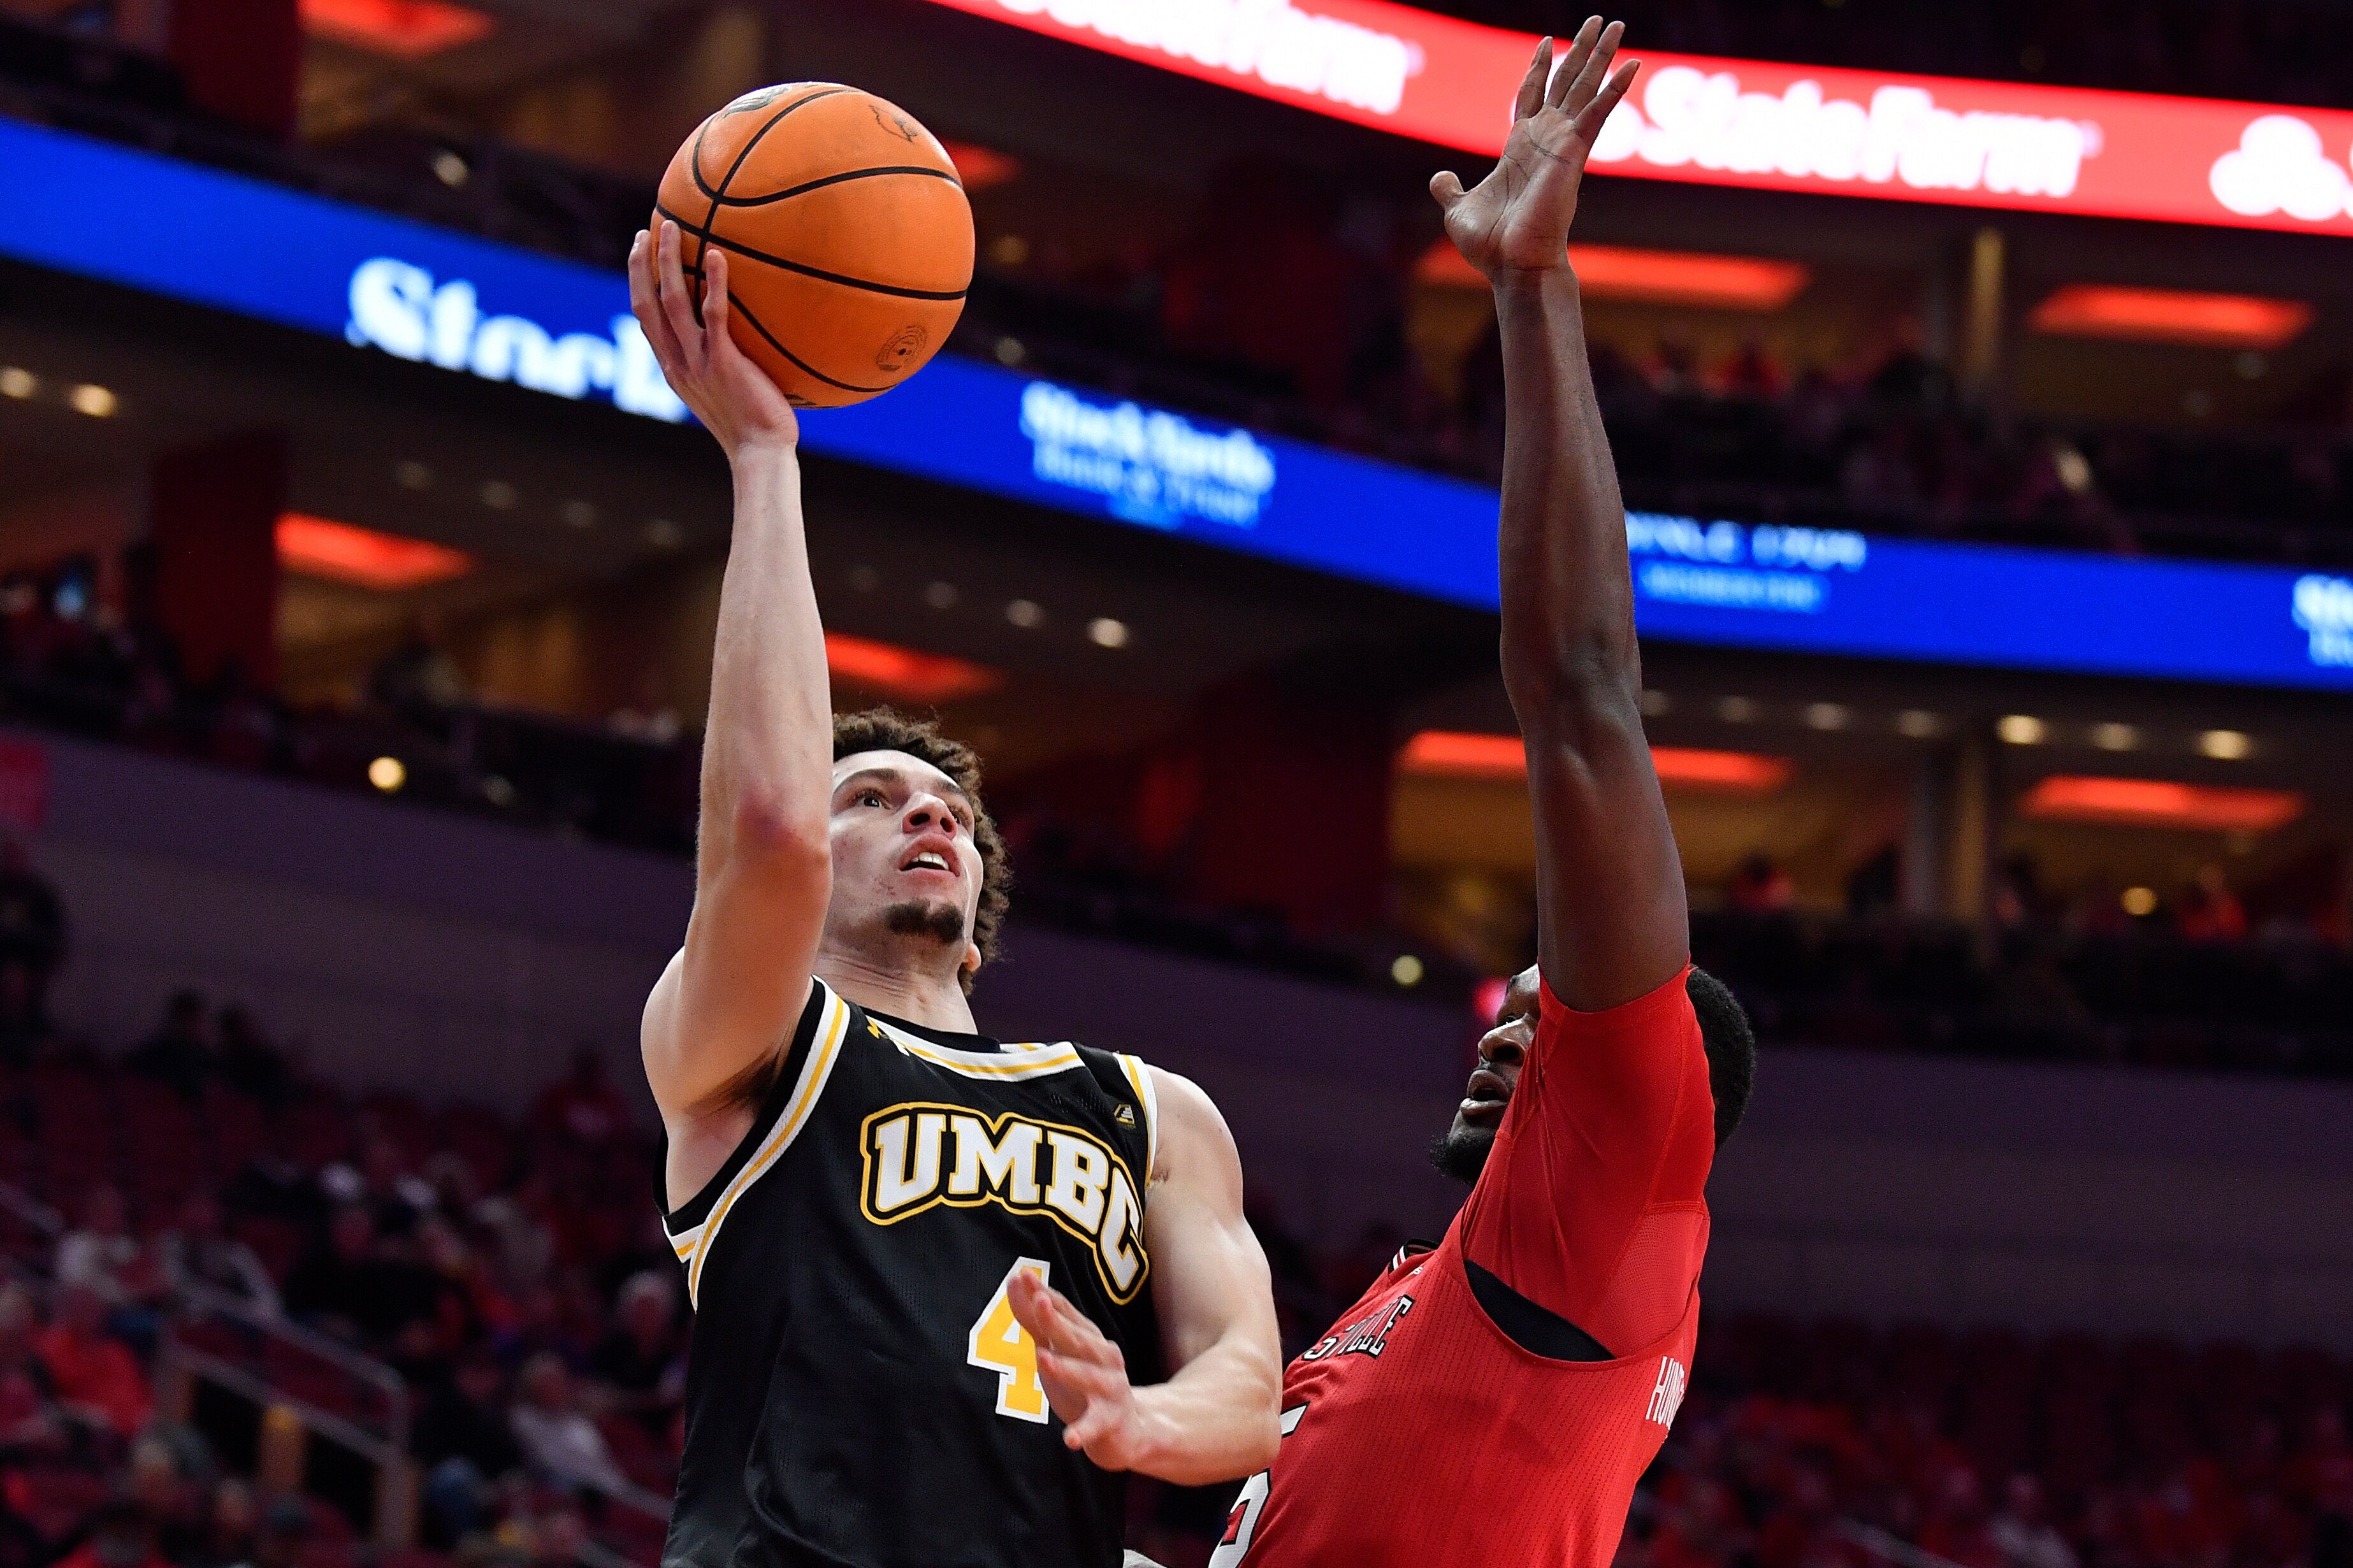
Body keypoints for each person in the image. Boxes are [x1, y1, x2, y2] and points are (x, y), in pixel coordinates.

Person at [626, 216, 1280, 1568]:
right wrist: (763, 458)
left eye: (950, 813)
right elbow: (765, 827)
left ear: (982, 911)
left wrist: (1142, 1421)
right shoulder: (748, 1047)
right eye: (867, 798)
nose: (923, 811)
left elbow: (1247, 1385)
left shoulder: (1153, 1111)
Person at [1210, 24, 1755, 1567]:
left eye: (1543, 1017)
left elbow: (1580, 690)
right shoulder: (1433, 1289)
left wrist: (1529, 288)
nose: (1506, 1026)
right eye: (1507, 1006)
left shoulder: (1615, 1196)